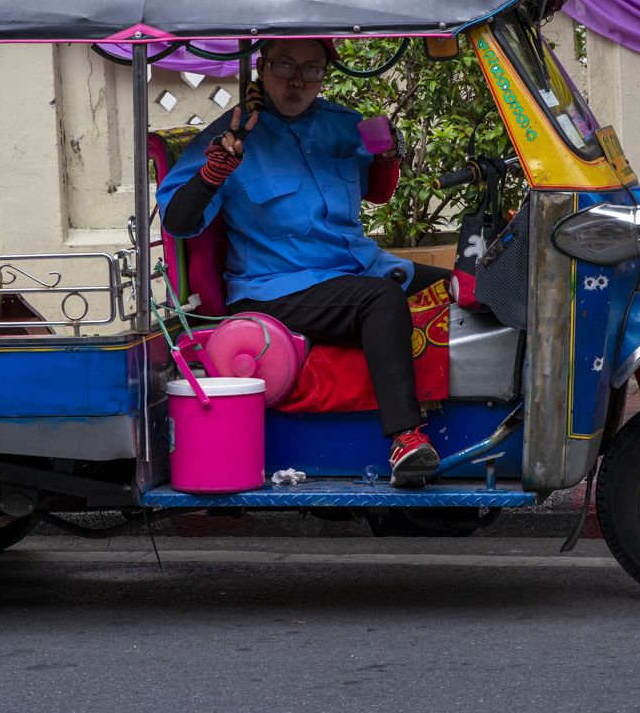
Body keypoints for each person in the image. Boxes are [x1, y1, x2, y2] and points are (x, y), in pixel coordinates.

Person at [156, 38, 450, 487]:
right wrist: (214, 172)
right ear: (261, 65)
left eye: (311, 69)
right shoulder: (229, 136)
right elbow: (178, 222)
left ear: (325, 73)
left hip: (357, 268)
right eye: (284, 66)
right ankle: (406, 439)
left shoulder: (344, 125)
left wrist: (388, 157)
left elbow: (375, 193)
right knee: (381, 300)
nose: (296, 80)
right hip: (275, 288)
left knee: (465, 287)